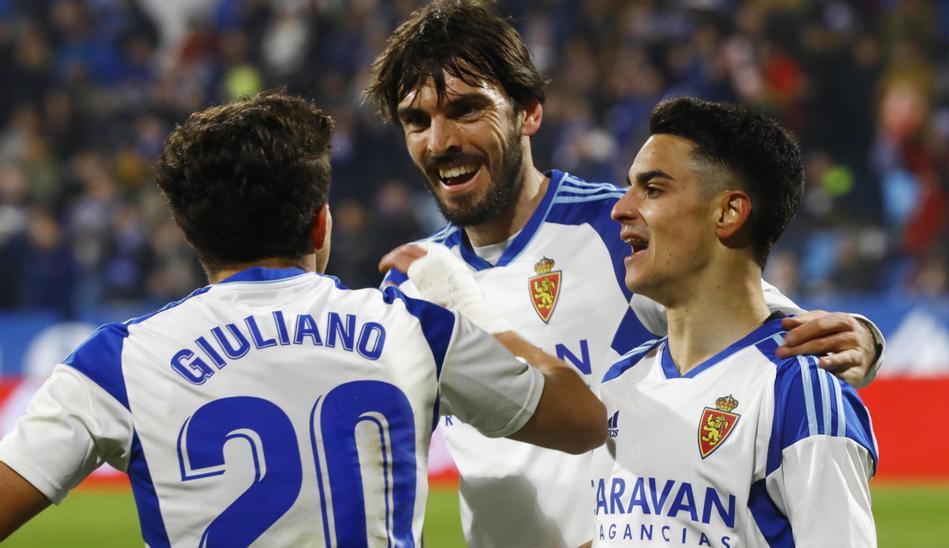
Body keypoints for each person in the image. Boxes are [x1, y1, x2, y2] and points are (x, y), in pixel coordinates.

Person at [367, 3, 884, 546]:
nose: (439, 140)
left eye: (467, 110)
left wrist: (864, 341)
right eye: (417, 121)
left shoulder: (623, 233)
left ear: (529, 113)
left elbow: (755, 323)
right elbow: (389, 470)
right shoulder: (413, 284)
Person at [0, 91, 607, 545]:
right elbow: (583, 423)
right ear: (321, 222)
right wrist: (471, 309)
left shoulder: (117, 364)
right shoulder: (414, 329)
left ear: (188, 233)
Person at [592, 97, 877, 547]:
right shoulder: (621, 380)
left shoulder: (798, 393)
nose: (620, 209)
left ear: (728, 212)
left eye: (652, 189)